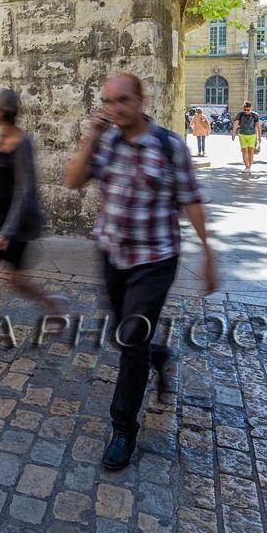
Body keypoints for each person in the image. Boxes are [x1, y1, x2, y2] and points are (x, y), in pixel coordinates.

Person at [64, 72, 218, 471]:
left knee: (130, 340)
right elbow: (72, 180)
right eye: (108, 101)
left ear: (141, 100)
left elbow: (191, 200)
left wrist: (208, 252)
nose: (114, 108)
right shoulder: (107, 140)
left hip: (155, 259)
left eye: (121, 100)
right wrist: (90, 137)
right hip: (112, 253)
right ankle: (159, 353)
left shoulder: (169, 146)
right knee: (129, 336)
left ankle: (123, 428)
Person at [0, 89, 64, 358]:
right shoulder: (2, 138)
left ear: (4, 111)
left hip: (14, 218)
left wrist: (7, 231)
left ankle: (51, 303)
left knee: (14, 280)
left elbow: (23, 190)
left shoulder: (22, 141)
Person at [231, 101, 261, 172]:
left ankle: (249, 167)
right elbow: (235, 124)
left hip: (252, 135)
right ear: (243, 108)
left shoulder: (255, 115)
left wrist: (260, 137)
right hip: (242, 135)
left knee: (251, 151)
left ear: (251, 108)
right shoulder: (240, 115)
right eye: (245, 109)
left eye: (248, 110)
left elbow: (258, 126)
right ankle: (246, 167)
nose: (246, 111)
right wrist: (233, 133)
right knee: (244, 151)